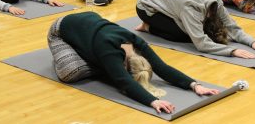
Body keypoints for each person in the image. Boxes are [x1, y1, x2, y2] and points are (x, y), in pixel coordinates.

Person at [47, 12, 220, 113]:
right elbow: (124, 81)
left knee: (107, 68)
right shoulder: (108, 50)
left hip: (89, 24)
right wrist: (153, 101)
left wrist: (195, 85)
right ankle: (85, 53)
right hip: (60, 30)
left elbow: (162, 68)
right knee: (69, 72)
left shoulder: (137, 42)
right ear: (124, 64)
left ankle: (96, 58)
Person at [135, 0, 255, 58]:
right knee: (183, 35)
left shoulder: (215, 0)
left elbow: (232, 27)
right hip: (147, 7)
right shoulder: (190, 8)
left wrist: (252, 42)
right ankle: (147, 26)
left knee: (192, 29)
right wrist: (231, 51)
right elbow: (201, 44)